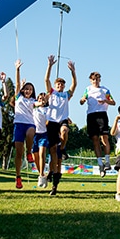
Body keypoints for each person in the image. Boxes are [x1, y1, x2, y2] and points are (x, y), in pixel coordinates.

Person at [45, 56, 77, 195]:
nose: (60, 86)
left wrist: (73, 71)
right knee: (54, 154)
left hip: (62, 121)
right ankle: (53, 180)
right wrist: (50, 65)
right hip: (51, 122)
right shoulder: (51, 93)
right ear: (55, 85)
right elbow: (46, 80)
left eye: (62, 85)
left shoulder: (66, 95)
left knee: (65, 131)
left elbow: (74, 85)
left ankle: (62, 148)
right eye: (58, 84)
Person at [80, 71, 115, 177]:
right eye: (93, 79)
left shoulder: (105, 90)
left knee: (104, 138)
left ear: (100, 80)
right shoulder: (88, 89)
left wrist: (105, 101)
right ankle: (100, 164)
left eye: (97, 79)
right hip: (91, 115)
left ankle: (107, 161)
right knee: (95, 139)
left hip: (102, 114)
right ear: (90, 80)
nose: (95, 81)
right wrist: (82, 100)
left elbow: (113, 102)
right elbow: (81, 100)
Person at [13, 59, 37, 189]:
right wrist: (17, 69)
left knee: (30, 133)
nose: (28, 91)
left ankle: (29, 152)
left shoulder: (33, 100)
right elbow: (17, 83)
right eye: (26, 89)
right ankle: (18, 177)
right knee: (18, 153)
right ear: (23, 90)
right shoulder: (19, 97)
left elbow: (40, 103)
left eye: (30, 89)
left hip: (29, 124)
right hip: (18, 125)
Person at [33, 92, 49, 189]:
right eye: (40, 98)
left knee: (42, 153)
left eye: (43, 99)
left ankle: (41, 176)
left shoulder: (48, 110)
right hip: (35, 134)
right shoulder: (34, 110)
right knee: (35, 157)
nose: (41, 100)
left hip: (44, 134)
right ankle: (42, 175)